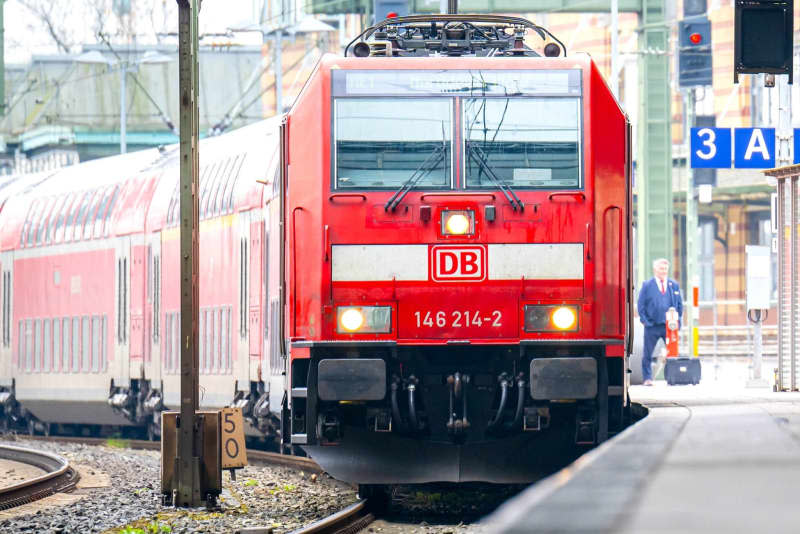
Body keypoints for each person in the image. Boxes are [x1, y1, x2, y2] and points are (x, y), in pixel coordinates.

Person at [637, 258, 683, 386]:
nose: (663, 271)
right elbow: (641, 305)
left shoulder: (673, 285)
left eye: (665, 269)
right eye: (661, 269)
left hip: (669, 325)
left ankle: (673, 377)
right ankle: (647, 378)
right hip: (652, 326)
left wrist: (678, 321)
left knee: (672, 352)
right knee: (647, 353)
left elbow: (679, 305)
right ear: (655, 269)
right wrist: (645, 321)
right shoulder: (647, 285)